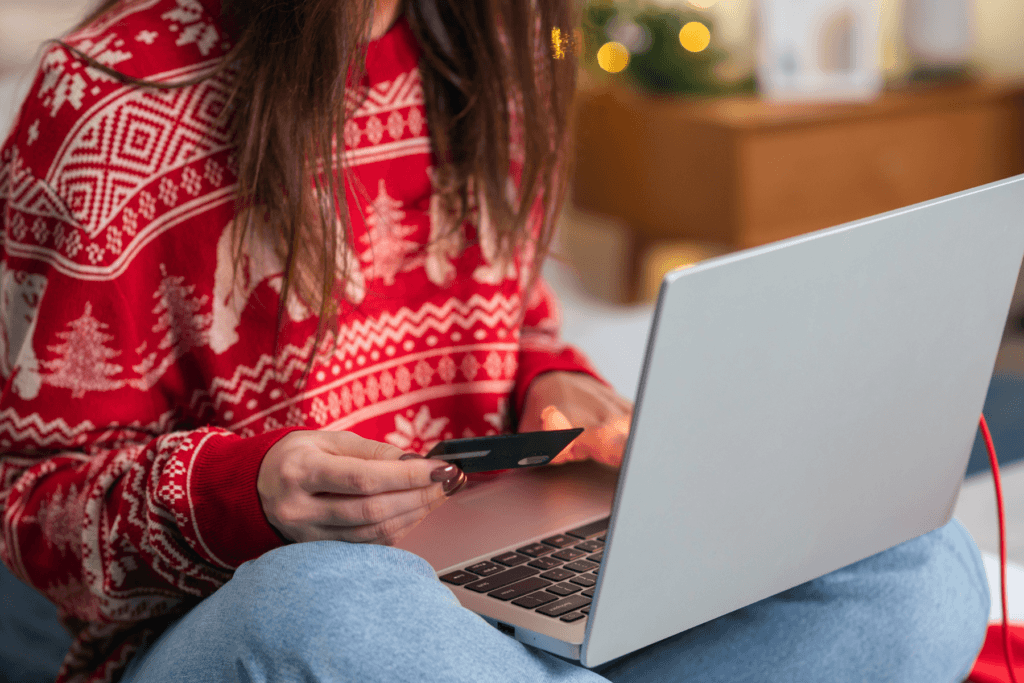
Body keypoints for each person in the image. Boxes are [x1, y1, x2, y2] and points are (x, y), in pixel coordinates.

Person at [0, 0, 989, 681]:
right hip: (300, 627)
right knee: (333, 600)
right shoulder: (105, 102)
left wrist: (558, 387)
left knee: (917, 557)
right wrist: (248, 488)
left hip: (504, 596)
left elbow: (514, 322)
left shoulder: (486, 50)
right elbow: (30, 505)